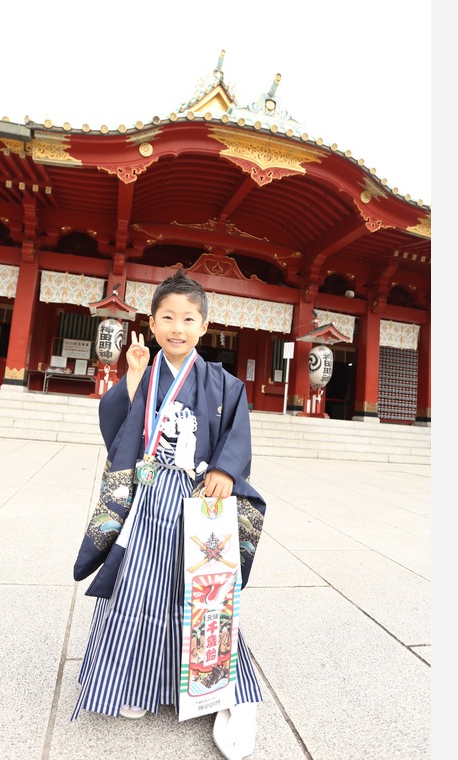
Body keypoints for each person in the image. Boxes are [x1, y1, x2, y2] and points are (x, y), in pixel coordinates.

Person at [71, 269, 266, 760]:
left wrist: (226, 469)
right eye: (167, 318)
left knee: (204, 589)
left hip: (200, 498)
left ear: (205, 326)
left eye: (188, 318)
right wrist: (133, 379)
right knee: (139, 584)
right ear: (152, 324)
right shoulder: (147, 371)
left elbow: (237, 434)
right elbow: (119, 430)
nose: (177, 327)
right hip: (150, 493)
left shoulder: (224, 383)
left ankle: (222, 689)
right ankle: (135, 682)